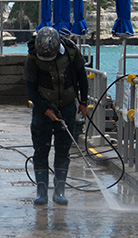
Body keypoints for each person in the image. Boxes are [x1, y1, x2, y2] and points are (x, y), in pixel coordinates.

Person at [24, 26, 89, 205]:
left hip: (67, 107)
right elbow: (31, 89)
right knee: (41, 149)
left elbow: (82, 77)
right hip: (42, 111)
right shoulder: (33, 58)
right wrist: (45, 109)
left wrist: (83, 103)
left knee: (63, 149)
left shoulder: (71, 52)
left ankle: (59, 190)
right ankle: (42, 191)